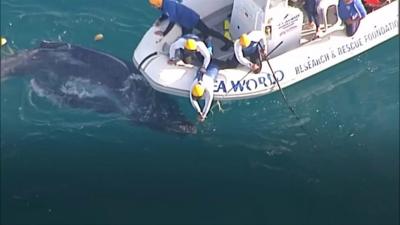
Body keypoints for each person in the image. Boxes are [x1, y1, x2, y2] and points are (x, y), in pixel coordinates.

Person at [148, 0, 233, 50]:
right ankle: (205, 37)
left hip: (190, 20)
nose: (152, 6)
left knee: (205, 32)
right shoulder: (165, 3)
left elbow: (172, 21)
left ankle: (227, 42)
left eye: (153, 5)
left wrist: (164, 33)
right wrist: (160, 20)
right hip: (187, 20)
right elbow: (166, 14)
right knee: (190, 36)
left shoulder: (167, 7)